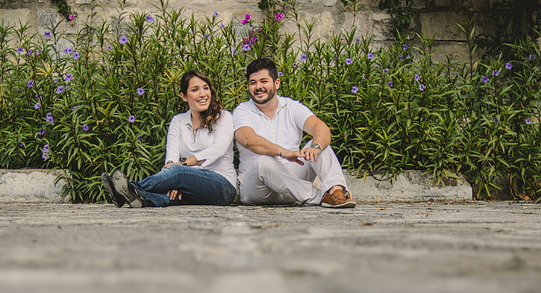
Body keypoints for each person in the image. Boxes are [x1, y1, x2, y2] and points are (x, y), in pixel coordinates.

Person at [102, 69, 237, 208]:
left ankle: (132, 187)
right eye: (195, 90)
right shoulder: (178, 121)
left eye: (206, 88)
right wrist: (174, 181)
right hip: (190, 187)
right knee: (169, 196)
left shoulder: (223, 117)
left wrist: (182, 166)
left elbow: (218, 150)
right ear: (184, 96)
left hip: (223, 187)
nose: (202, 94)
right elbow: (171, 157)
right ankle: (138, 197)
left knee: (177, 172)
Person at [233, 57, 356, 208]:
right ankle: (321, 197)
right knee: (263, 162)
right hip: (258, 189)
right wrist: (283, 152)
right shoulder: (242, 111)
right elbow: (247, 139)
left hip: (292, 184)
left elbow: (321, 128)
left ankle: (337, 192)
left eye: (264, 81)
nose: (258, 87)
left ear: (276, 83)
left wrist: (316, 147)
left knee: (318, 146)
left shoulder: (292, 107)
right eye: (253, 83)